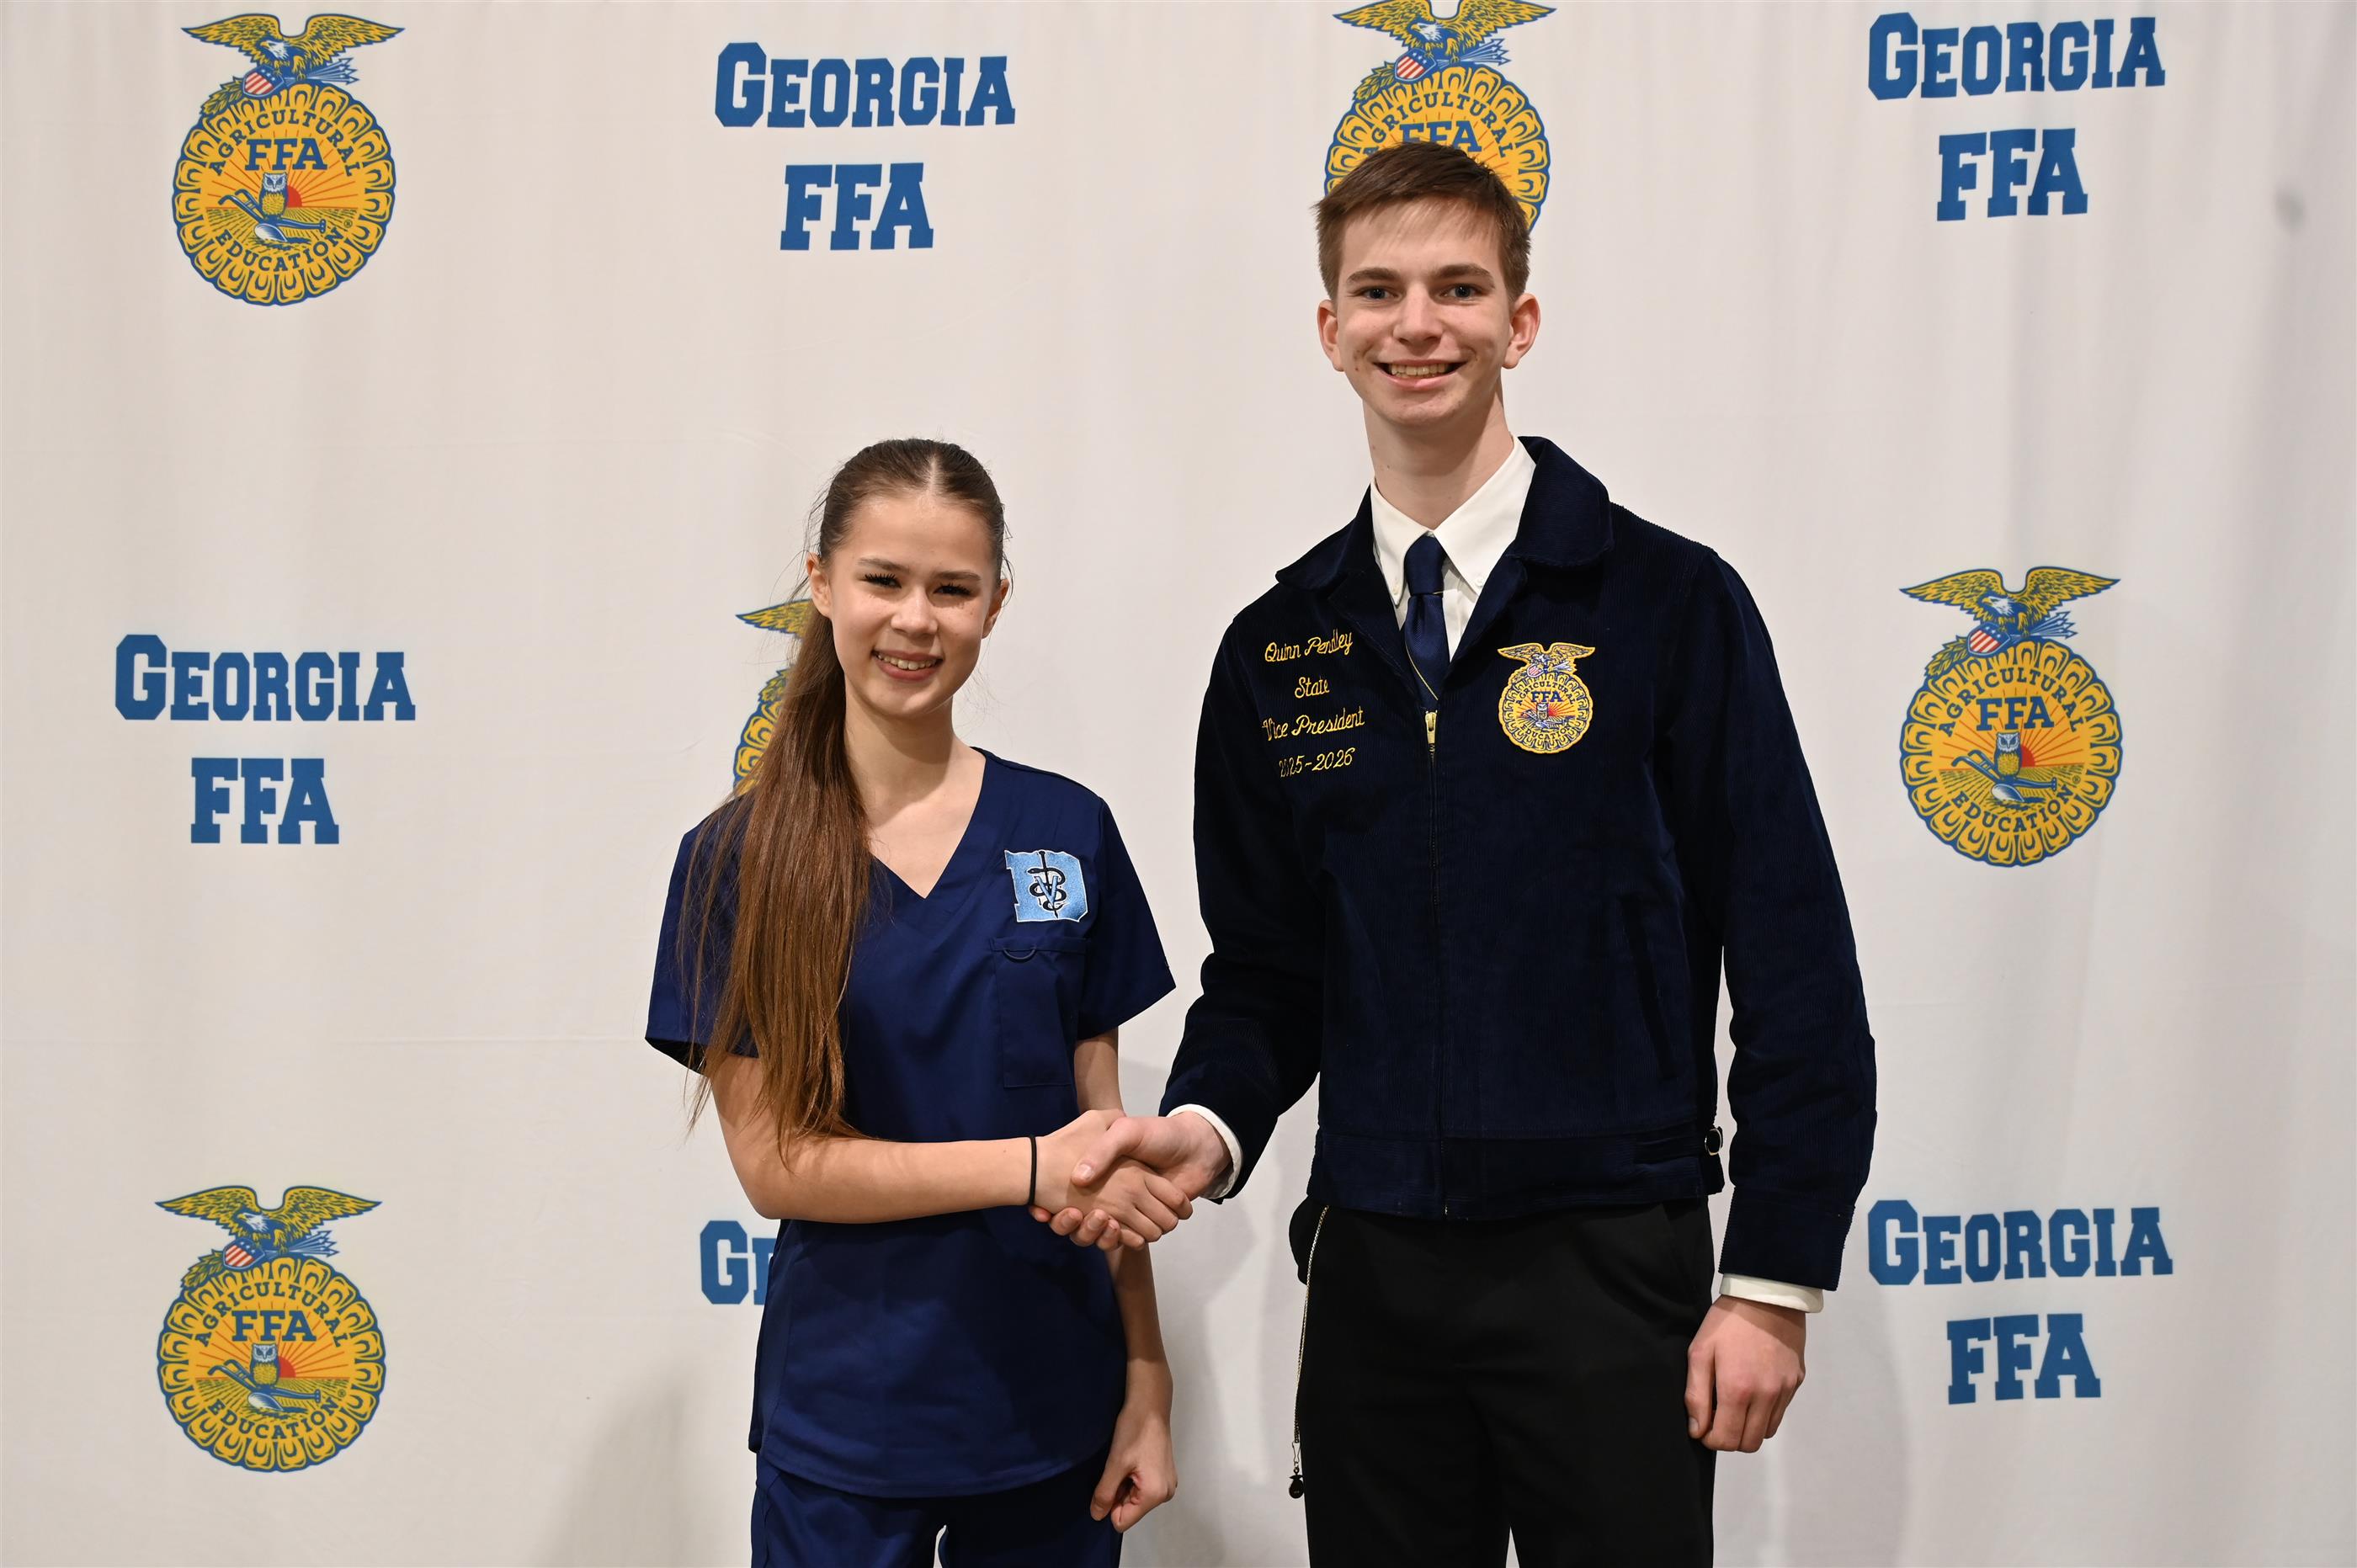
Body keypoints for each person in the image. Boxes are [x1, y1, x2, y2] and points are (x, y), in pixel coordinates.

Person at [1037, 142, 1878, 1565]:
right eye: (1378, 292)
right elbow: (1269, 975)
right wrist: (1208, 1127)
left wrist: (1774, 1278)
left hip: (1610, 1257)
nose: (1416, 324)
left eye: (1458, 288)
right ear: (1330, 330)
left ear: (1519, 322)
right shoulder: (1278, 648)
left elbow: (1793, 958)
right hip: (1376, 1270)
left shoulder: (1667, 603)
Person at [647, 439, 1187, 1565]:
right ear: (821, 584)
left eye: (952, 588)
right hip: (848, 1423)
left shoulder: (1068, 829)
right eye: (883, 580)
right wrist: (1028, 1168)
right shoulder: (738, 858)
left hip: (1053, 1412)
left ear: (996, 603)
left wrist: (1146, 1372)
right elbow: (777, 1167)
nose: (914, 620)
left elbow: (1102, 1144)